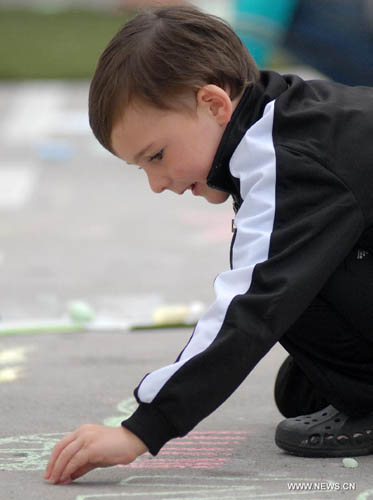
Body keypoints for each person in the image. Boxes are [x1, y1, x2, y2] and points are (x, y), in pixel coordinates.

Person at [44, 5, 373, 484]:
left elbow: (253, 303)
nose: (156, 183)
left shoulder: (289, 159)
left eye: (156, 155)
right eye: (142, 167)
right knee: (303, 384)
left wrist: (143, 428)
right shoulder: (289, 116)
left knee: (282, 282)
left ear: (215, 104)